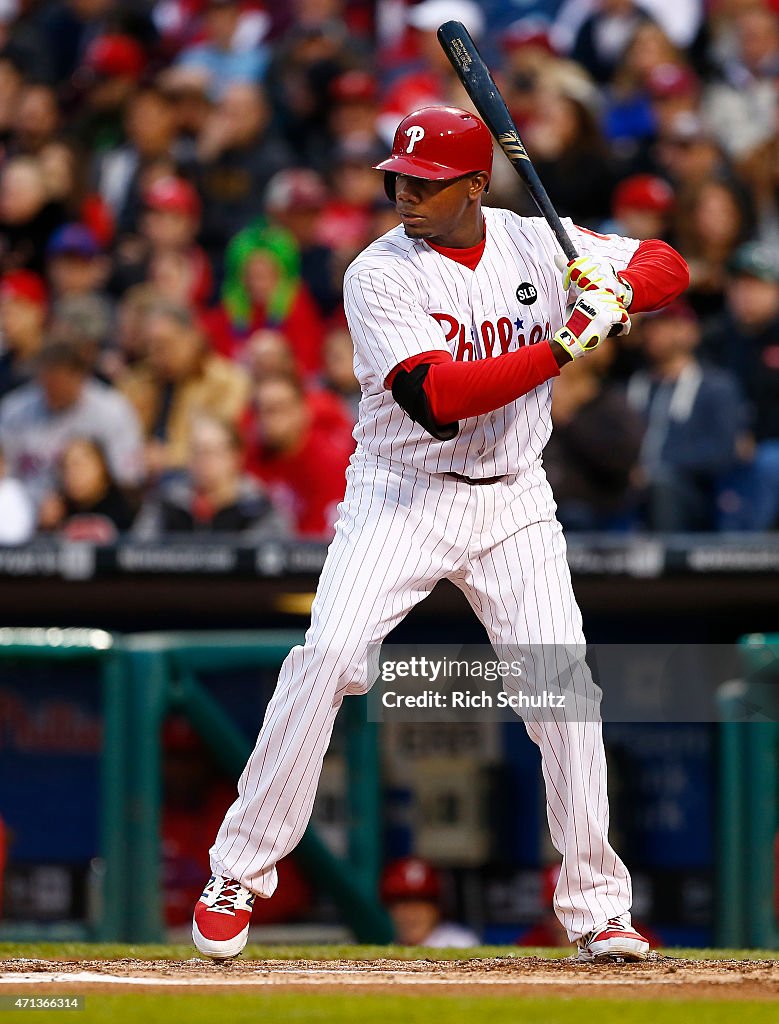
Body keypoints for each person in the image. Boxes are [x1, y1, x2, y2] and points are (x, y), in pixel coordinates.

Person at [192, 105, 688, 963]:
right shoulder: (376, 274)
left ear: (473, 184)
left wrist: (619, 289)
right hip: (402, 489)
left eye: (424, 183)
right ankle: (238, 869)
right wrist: (571, 341)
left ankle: (599, 908)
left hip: (514, 501)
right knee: (328, 658)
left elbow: (667, 263)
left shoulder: (538, 240)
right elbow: (438, 400)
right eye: (398, 180)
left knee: (561, 693)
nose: (404, 195)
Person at [627, 300, 743, 531]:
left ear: (691, 331)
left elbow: (722, 452)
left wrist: (657, 467)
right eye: (651, 326)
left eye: (668, 324)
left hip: (693, 492)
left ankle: (668, 564)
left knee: (662, 484)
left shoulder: (715, 387)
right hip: (633, 487)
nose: (656, 332)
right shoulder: (635, 385)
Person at [0, 340, 143, 505]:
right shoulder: (16, 410)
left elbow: (129, 477)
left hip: (94, 510)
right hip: (23, 510)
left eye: (58, 381)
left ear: (79, 376)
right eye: (45, 381)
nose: (50, 389)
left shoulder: (111, 411)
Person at [134, 414, 288, 539]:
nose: (203, 461)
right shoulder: (167, 502)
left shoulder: (257, 507)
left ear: (235, 457)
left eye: (211, 452)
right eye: (196, 451)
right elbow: (138, 550)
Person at [243, 373, 352, 538]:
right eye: (261, 411)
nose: (267, 419)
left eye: (276, 409)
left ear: (302, 410)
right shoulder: (256, 454)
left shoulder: (327, 460)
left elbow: (321, 537)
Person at [38, 436, 138, 542]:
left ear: (102, 467)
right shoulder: (57, 511)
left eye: (79, 465)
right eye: (66, 467)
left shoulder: (128, 505)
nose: (73, 474)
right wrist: (45, 528)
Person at [380, 857, 479, 948]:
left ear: (437, 909)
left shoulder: (461, 944)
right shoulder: (387, 950)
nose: (411, 915)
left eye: (420, 904)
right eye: (404, 904)